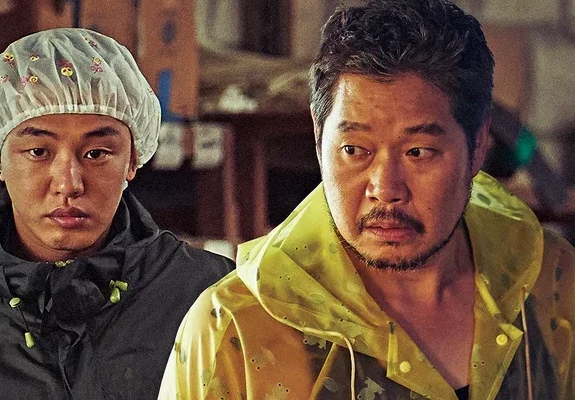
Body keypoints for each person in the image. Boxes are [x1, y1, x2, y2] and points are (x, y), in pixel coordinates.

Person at [159, 1, 575, 399]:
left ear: (479, 145)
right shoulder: (235, 330)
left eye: (418, 152)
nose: (385, 188)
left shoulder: (551, 283)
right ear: (320, 139)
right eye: (354, 150)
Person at [0, 28, 233, 399]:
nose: (68, 184)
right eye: (38, 152)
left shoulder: (216, 300)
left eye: (96, 153)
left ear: (133, 160)